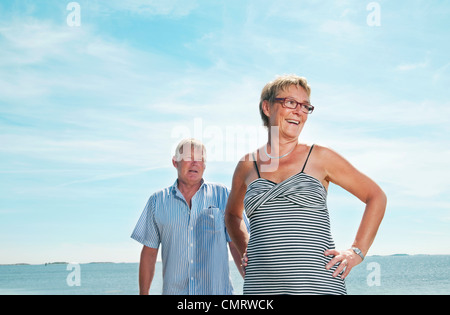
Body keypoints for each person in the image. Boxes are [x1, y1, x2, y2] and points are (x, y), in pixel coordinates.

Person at [225, 74, 387, 295]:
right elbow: (232, 215)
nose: (299, 111)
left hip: (319, 285)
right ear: (267, 107)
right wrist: (247, 249)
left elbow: (375, 196)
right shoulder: (247, 165)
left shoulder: (320, 157)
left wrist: (356, 252)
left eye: (305, 106)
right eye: (290, 102)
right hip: (261, 287)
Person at [131, 138, 246, 295]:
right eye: (188, 158)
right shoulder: (157, 201)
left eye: (200, 159)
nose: (194, 163)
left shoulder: (223, 195)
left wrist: (255, 284)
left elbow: (237, 246)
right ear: (175, 162)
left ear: (205, 165)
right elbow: (149, 253)